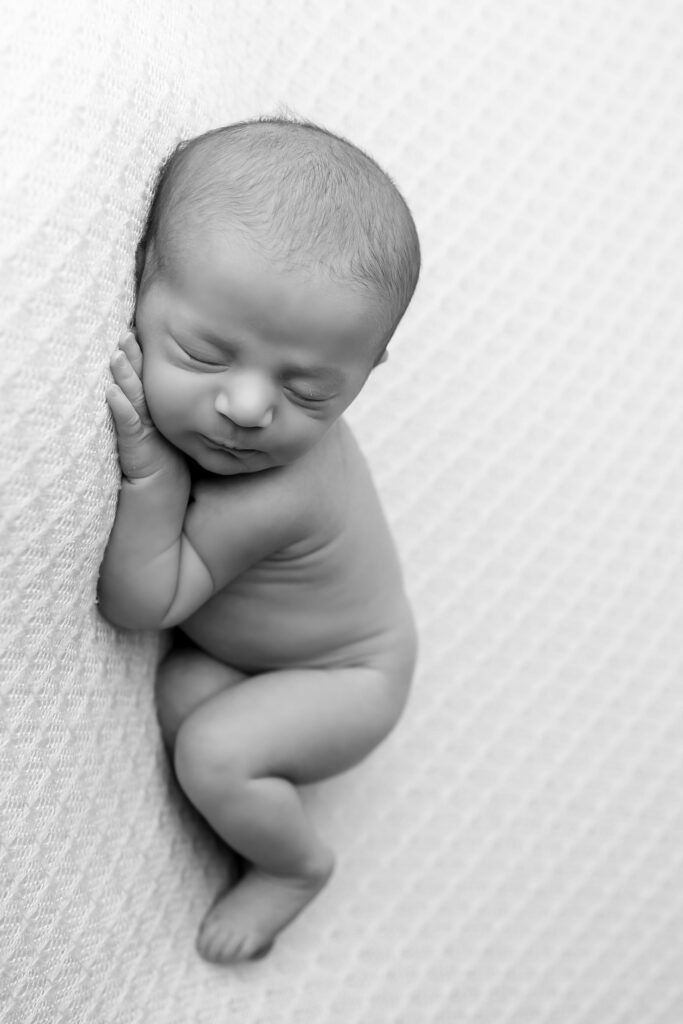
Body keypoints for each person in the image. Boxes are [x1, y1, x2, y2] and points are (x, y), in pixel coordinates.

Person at [97, 116, 421, 964]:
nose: (246, 407)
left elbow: (143, 602)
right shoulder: (256, 423)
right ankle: (256, 788)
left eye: (311, 390)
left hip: (346, 678)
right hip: (266, 661)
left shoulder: (278, 490)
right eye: (205, 352)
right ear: (138, 280)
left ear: (366, 372)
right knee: (186, 694)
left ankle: (295, 866)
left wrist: (151, 481)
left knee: (211, 747)